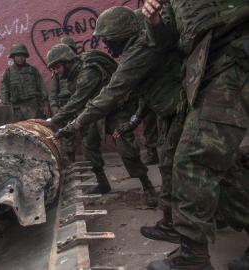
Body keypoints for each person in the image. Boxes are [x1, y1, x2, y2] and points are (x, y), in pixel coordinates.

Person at [58, 6, 187, 233]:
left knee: (177, 163)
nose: (106, 46)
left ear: (120, 36)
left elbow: (110, 94)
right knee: (171, 165)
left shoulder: (137, 52)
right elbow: (145, 96)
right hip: (161, 111)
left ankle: (156, 197)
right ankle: (171, 221)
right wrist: (133, 122)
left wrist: (74, 124)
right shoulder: (135, 49)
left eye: (108, 40)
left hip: (148, 110)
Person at [141, 1, 249, 269]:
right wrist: (155, 22)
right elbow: (170, 39)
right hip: (207, 66)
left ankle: (193, 260)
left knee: (194, 160)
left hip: (235, 54)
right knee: (223, 168)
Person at [46, 43, 157, 206]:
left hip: (115, 109)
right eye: (53, 69)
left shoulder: (87, 72)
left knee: (125, 147)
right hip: (96, 111)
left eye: (57, 67)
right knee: (89, 145)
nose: (55, 72)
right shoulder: (74, 73)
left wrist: (53, 120)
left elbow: (77, 101)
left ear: (67, 61)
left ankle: (148, 187)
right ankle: (102, 183)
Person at [0, 43, 48, 121]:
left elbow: (42, 87)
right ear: (13, 57)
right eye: (18, 56)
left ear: (25, 56)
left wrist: (45, 104)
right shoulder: (8, 73)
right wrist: (6, 107)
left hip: (34, 106)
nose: (20, 58)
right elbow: (4, 91)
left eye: (22, 55)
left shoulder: (32, 70)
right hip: (17, 109)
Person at [49, 37, 78, 163]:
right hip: (64, 104)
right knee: (66, 135)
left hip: (79, 102)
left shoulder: (81, 67)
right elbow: (53, 92)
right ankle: (71, 161)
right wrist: (55, 108)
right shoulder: (57, 71)